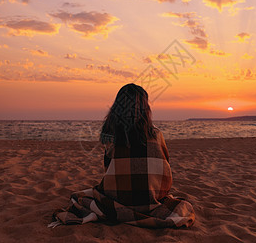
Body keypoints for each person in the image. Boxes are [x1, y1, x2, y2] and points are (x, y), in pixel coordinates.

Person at [48, 83, 195, 228]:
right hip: (150, 200)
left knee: (79, 197)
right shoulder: (156, 134)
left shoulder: (112, 134)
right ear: (145, 107)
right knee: (181, 205)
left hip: (117, 198)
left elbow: (108, 168)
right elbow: (165, 169)